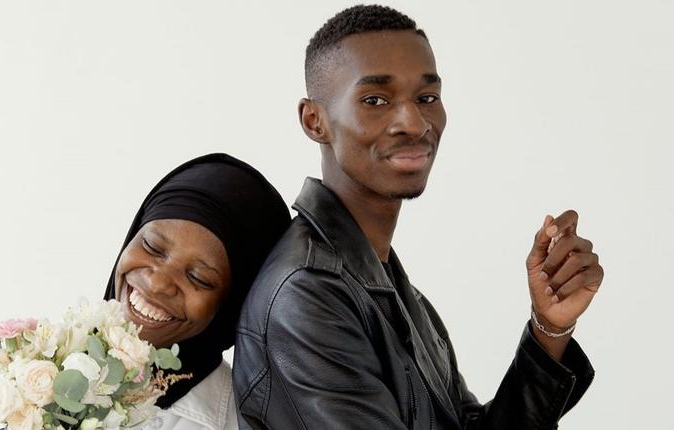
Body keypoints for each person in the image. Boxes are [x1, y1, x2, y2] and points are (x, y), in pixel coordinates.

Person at [234, 5, 603, 430]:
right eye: (375, 100)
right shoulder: (307, 297)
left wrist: (548, 329)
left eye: (427, 98)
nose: (414, 122)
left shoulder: (388, 286)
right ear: (314, 120)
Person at [0, 153, 290, 430]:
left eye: (199, 277)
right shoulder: (17, 378)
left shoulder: (241, 423)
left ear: (232, 304)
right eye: (151, 246)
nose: (159, 283)